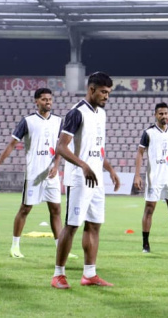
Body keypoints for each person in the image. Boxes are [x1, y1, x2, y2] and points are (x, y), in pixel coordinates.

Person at [51, 72, 121, 289]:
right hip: (79, 178)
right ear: (91, 89)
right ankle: (58, 275)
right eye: (103, 92)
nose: (106, 96)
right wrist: (83, 165)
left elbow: (97, 149)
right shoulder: (77, 113)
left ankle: (89, 274)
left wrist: (110, 169)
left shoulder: (101, 114)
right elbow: (61, 147)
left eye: (109, 93)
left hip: (96, 177)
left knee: (94, 224)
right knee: (72, 225)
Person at [0, 88, 69, 259]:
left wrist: (57, 165)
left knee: (56, 209)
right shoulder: (28, 121)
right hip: (34, 173)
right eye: (44, 99)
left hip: (51, 174)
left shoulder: (58, 121)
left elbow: (61, 146)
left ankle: (60, 248)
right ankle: (15, 246)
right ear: (36, 101)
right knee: (25, 209)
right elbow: (11, 145)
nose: (48, 102)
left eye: (50, 99)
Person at [133, 102, 168, 253]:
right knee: (149, 209)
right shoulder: (148, 132)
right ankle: (145, 244)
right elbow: (140, 152)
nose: (164, 116)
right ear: (155, 115)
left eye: (166, 113)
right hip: (154, 177)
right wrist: (137, 175)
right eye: (161, 114)